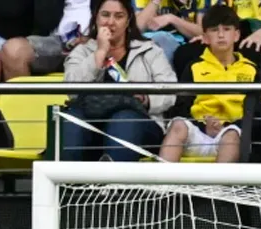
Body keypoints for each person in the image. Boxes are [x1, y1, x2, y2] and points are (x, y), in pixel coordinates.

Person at [62, 0, 177, 162]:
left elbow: (170, 92)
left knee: (123, 120)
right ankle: (69, 184)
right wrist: (99, 53)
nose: (110, 22)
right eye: (105, 15)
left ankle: (113, 186)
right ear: (95, 18)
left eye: (119, 16)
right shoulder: (82, 51)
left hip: (140, 123)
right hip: (92, 120)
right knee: (71, 122)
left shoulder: (150, 51)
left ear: (128, 20)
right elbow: (71, 89)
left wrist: (146, 99)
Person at [161, 4, 256, 163]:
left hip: (232, 133)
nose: (220, 35)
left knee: (231, 136)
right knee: (177, 125)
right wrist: (203, 125)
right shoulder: (194, 67)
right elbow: (180, 108)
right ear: (205, 37)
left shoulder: (251, 69)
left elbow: (256, 113)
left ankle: (219, 188)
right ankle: (160, 184)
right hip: (198, 132)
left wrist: (225, 125)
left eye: (226, 29)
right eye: (214, 30)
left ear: (236, 35)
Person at [0, 0, 91, 79]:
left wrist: (93, 38)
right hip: (58, 41)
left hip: (97, 42)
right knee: (13, 50)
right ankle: (26, 99)